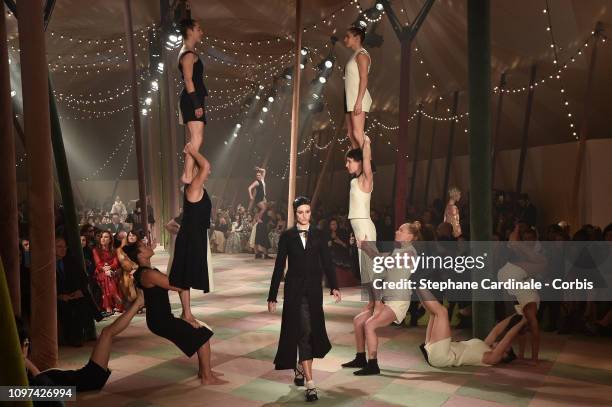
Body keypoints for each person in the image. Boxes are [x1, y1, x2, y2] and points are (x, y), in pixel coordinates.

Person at [268, 196, 341, 402]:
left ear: (311, 212)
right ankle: (310, 384)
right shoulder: (287, 236)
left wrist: (335, 285)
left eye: (307, 212)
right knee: (304, 330)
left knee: (310, 332)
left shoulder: (319, 234)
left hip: (314, 292)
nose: (304, 215)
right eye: (300, 212)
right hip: (294, 292)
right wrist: (272, 295)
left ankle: (301, 366)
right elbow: (279, 266)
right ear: (295, 213)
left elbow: (328, 262)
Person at [123, 242, 226, 385]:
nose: (148, 246)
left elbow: (174, 282)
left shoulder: (146, 271)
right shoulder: (149, 274)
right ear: (140, 255)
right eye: (144, 247)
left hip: (160, 319)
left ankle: (204, 372)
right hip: (161, 321)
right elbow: (178, 285)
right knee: (203, 337)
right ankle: (207, 377)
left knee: (201, 333)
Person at [20, 292, 144, 392]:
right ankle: (138, 303)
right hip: (89, 378)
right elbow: (43, 385)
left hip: (84, 375)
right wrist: (24, 358)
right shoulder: (32, 387)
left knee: (107, 333)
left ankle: (138, 303)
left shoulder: (27, 380)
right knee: (107, 333)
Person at [343, 223, 420, 375]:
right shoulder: (398, 251)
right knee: (358, 321)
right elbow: (379, 261)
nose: (396, 231)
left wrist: (366, 247)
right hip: (387, 299)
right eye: (397, 229)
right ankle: (360, 358)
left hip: (398, 301)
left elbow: (381, 261)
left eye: (401, 230)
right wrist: (363, 246)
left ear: (410, 237)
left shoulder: (409, 253)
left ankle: (373, 365)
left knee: (369, 325)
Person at [169, 142, 214, 328]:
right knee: (182, 274)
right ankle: (186, 313)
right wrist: (192, 150)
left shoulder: (196, 188)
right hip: (192, 237)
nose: (209, 172)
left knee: (184, 274)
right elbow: (206, 166)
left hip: (193, 235)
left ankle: (186, 313)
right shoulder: (194, 186)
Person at [418, 295, 525, 367]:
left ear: (504, 355)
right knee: (434, 313)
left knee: (442, 312)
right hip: (435, 349)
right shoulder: (485, 345)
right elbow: (496, 331)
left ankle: (416, 280)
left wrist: (523, 321)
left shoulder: (492, 358)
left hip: (442, 356)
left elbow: (508, 337)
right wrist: (515, 314)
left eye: (506, 348)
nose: (503, 344)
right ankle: (413, 281)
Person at [345, 137, 377, 306]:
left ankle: (377, 305)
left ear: (359, 162)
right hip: (358, 229)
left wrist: (366, 143)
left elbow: (366, 160)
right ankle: (372, 304)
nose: (347, 165)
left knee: (370, 269)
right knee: (365, 271)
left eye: (349, 161)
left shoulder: (366, 180)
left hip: (365, 227)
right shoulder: (353, 181)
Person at [178, 18, 208, 184]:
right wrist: (197, 104)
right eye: (198, 29)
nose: (201, 32)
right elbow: (188, 80)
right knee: (197, 138)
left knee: (197, 138)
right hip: (192, 99)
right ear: (189, 31)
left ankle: (188, 171)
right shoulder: (188, 54)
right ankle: (187, 174)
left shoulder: (188, 51)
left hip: (193, 98)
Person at [55, 236, 97, 346]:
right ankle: (72, 338)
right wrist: (58, 296)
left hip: (73, 293)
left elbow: (84, 278)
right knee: (65, 308)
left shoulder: (71, 260)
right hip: (57, 296)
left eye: (65, 247)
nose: (63, 249)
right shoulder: (47, 264)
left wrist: (79, 290)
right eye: (59, 247)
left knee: (82, 301)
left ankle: (85, 333)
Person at [343, 25, 372, 149]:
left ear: (357, 38)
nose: (345, 39)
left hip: (358, 99)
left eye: (347, 37)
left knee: (357, 133)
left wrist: (359, 102)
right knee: (351, 134)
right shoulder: (354, 55)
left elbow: (364, 78)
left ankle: (368, 166)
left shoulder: (362, 55)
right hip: (350, 98)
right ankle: (358, 165)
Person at [92, 231, 123, 315]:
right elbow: (98, 264)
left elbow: (116, 263)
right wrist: (106, 270)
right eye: (102, 237)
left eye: (106, 237)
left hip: (112, 271)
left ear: (110, 240)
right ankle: (115, 301)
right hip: (100, 272)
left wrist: (110, 268)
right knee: (107, 277)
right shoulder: (96, 250)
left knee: (110, 276)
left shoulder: (114, 250)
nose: (103, 239)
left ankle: (109, 307)